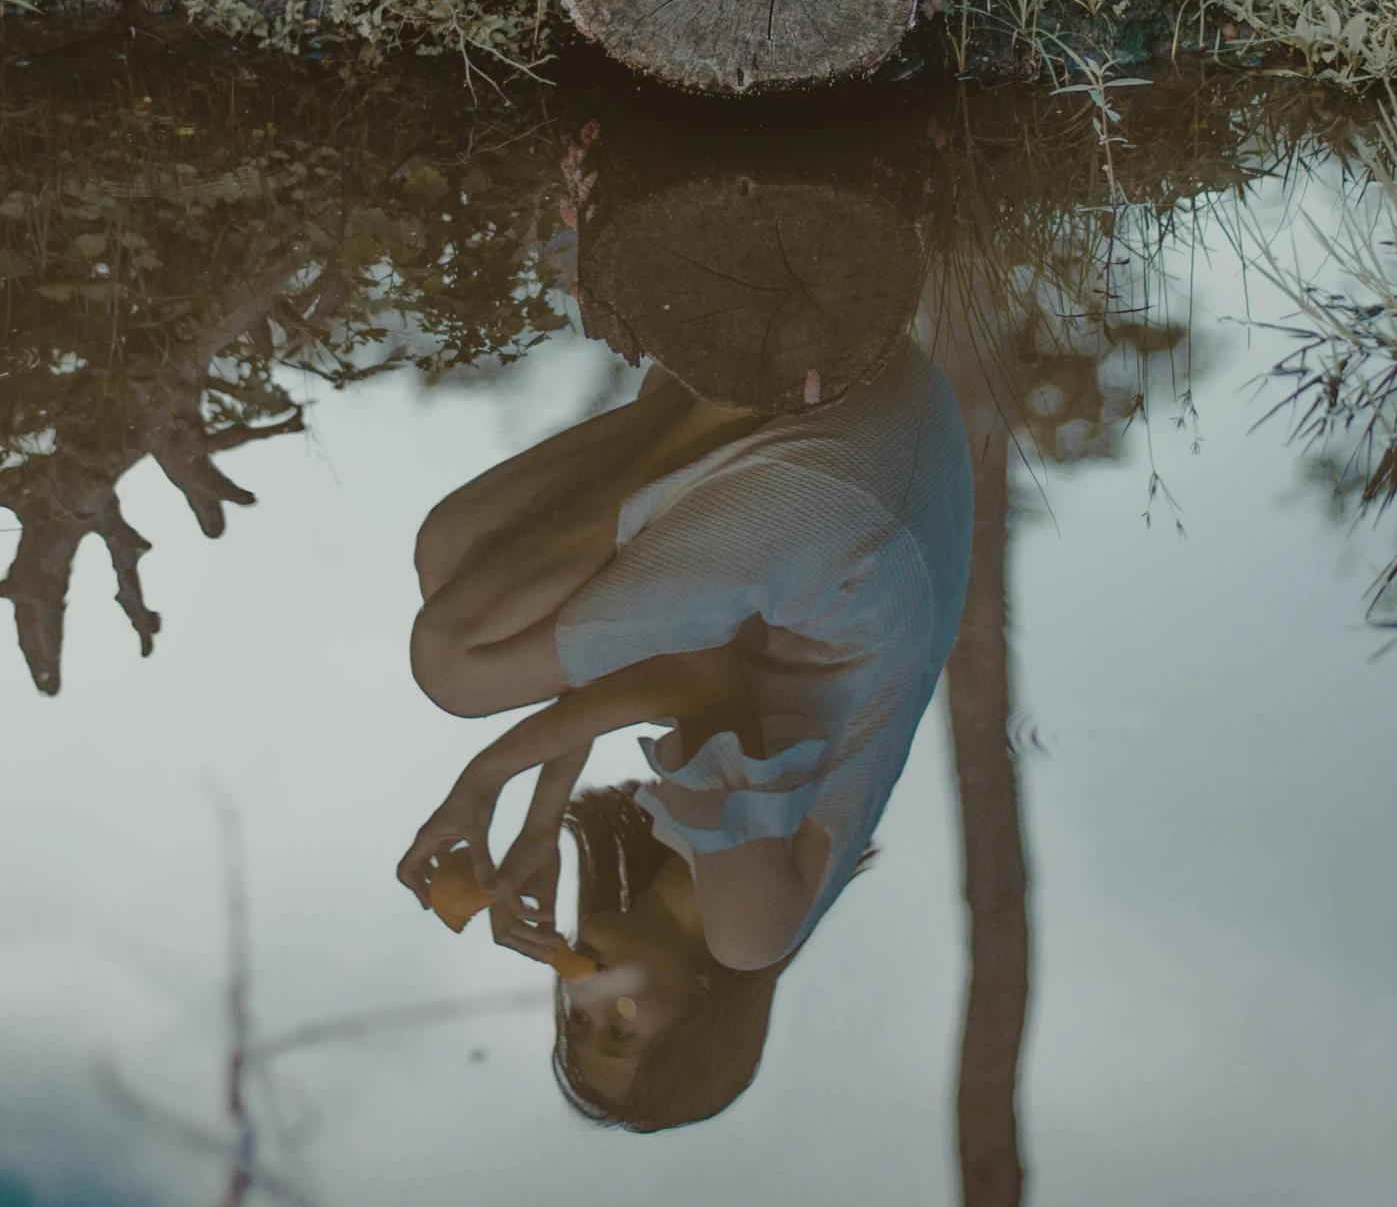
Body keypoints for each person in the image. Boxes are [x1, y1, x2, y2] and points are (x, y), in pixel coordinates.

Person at [397, 341, 973, 1130]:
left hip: (886, 444)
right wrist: (485, 779)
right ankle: (728, 405)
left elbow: (659, 654)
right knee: (454, 668)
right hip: (856, 509)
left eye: (579, 1023)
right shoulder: (746, 931)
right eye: (624, 1028)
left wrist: (542, 821)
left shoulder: (710, 860)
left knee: (454, 561)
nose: (591, 997)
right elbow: (693, 677)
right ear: (701, 1010)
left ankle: (719, 387)